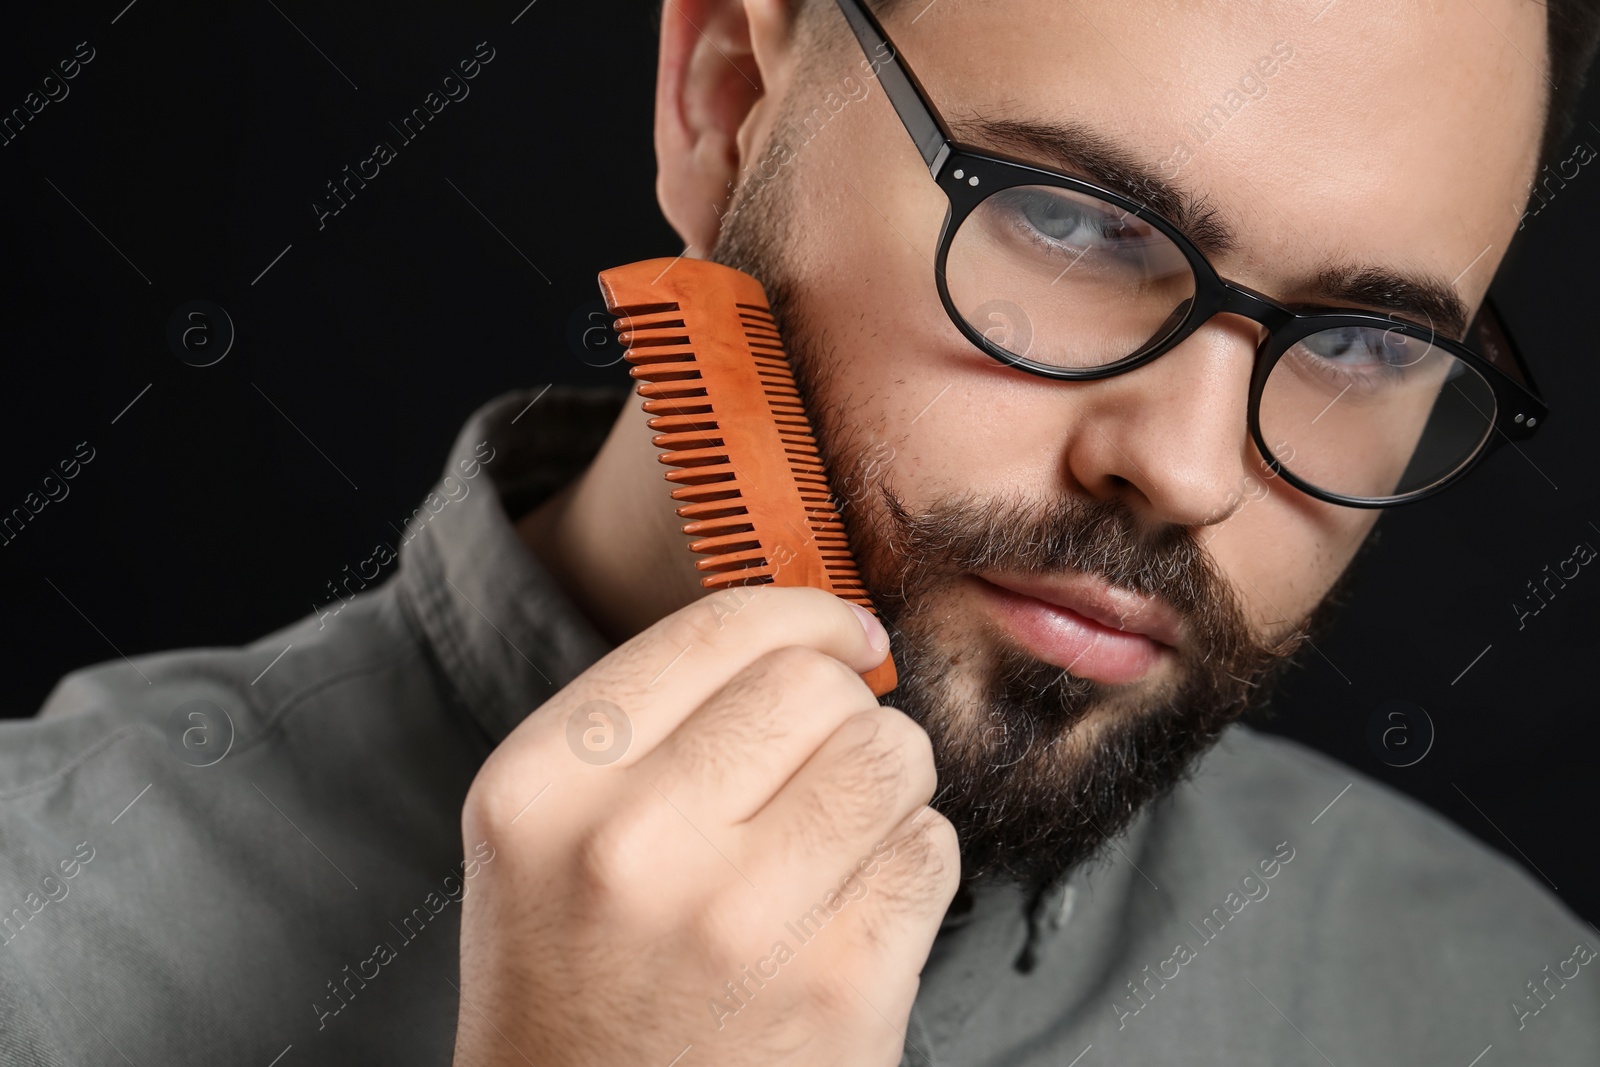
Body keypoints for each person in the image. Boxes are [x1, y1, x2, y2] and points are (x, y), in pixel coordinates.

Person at [2, 0, 1596, 1063]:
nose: (1187, 472)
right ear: (728, 103)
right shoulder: (42, 946)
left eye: (1374, 344)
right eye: (1079, 223)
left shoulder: (1504, 1007)